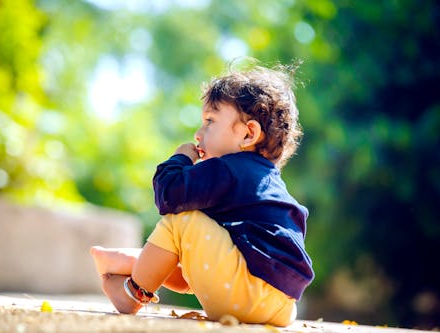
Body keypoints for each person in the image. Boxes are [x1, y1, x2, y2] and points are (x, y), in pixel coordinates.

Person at [90, 62, 314, 327]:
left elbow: (169, 196)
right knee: (196, 239)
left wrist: (180, 157)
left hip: (242, 293)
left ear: (249, 134)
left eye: (210, 121)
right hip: (282, 307)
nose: (198, 134)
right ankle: (133, 261)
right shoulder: (267, 185)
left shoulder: (229, 168)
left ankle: (134, 291)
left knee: (181, 220)